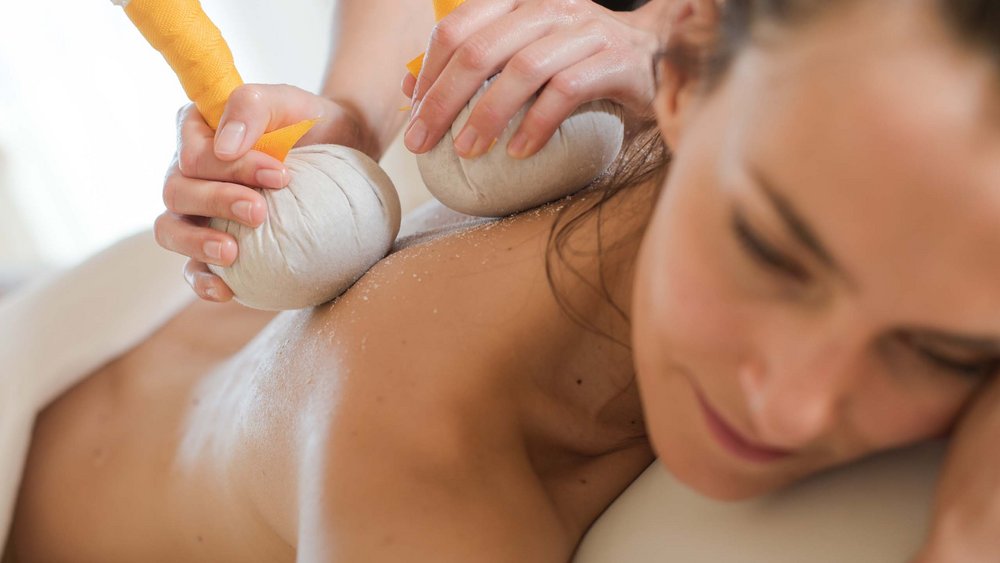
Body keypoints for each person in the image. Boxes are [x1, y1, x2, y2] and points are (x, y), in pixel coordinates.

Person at [6, 0, 1000, 561]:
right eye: (769, 250)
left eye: (943, 349)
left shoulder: (767, 94)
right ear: (687, 75)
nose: (789, 400)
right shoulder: (411, 466)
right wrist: (351, 119)